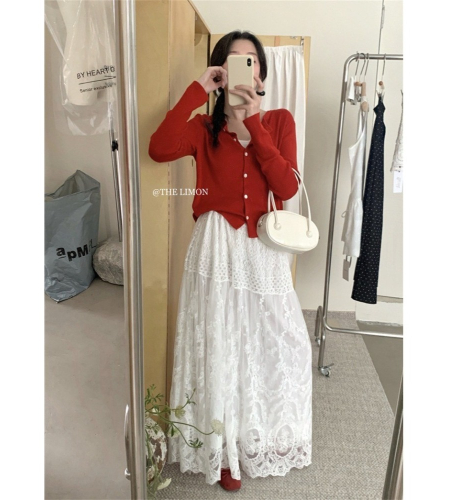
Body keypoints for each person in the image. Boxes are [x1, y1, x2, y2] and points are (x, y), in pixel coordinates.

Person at [149, 30, 312, 492]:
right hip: (215, 247)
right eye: (235, 61)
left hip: (261, 247)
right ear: (222, 70)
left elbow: (286, 188)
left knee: (276, 339)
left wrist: (253, 125)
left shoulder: (278, 121)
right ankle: (221, 451)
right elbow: (159, 148)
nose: (246, 68)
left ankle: (259, 436)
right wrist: (198, 89)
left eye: (252, 61)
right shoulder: (204, 128)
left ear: (261, 73)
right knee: (219, 343)